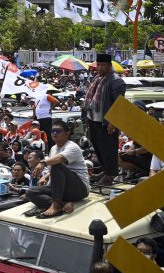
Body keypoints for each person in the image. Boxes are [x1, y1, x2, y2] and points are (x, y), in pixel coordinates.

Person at [24, 120, 89, 218]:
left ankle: (55, 204)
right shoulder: (53, 148)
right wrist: (45, 177)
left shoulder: (73, 147)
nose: (54, 133)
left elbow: (60, 160)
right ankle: (63, 205)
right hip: (61, 189)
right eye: (52, 131)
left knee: (56, 164)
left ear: (67, 133)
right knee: (30, 193)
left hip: (79, 189)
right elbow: (54, 171)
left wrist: (43, 163)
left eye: (58, 131)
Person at [83, 54, 125, 185]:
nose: (99, 67)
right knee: (98, 148)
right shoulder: (97, 78)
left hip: (106, 121)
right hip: (93, 119)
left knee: (108, 149)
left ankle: (110, 175)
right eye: (98, 64)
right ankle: (105, 170)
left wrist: (113, 121)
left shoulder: (115, 80)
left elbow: (119, 104)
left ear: (109, 65)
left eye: (103, 65)